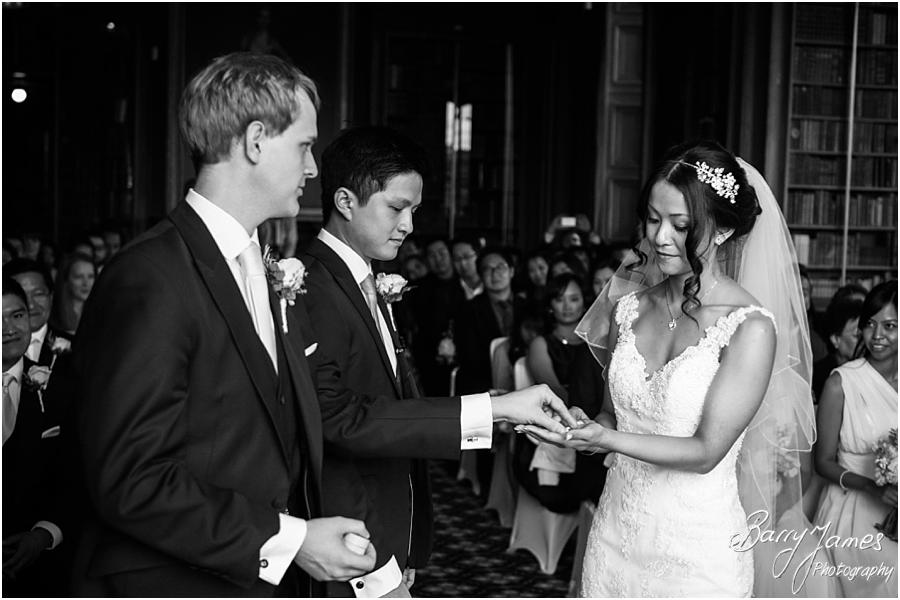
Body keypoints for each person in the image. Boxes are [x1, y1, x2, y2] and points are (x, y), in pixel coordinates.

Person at [71, 52, 375, 596]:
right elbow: (131, 479)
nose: (312, 169)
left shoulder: (260, 264)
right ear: (256, 141)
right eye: (305, 146)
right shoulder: (150, 276)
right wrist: (289, 541)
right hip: (172, 583)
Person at [521, 140, 819, 597]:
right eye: (653, 219)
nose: (660, 237)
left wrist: (608, 440)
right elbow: (611, 415)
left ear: (719, 231)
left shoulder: (749, 327)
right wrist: (583, 428)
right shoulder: (627, 309)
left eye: (680, 225)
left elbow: (706, 451)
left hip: (696, 547)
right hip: (616, 529)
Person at [300, 125, 575, 597]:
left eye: (414, 210)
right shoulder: (313, 287)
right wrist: (493, 411)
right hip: (350, 541)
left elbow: (389, 400)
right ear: (345, 202)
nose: (408, 225)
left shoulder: (365, 278)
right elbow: (342, 420)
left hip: (385, 533)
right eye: (396, 207)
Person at [813, 280, 898, 597]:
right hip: (852, 510)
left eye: (890, 326)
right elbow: (822, 462)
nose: (877, 336)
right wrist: (870, 486)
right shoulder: (841, 382)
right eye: (870, 325)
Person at [515, 273, 606, 513]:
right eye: (559, 299)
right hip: (562, 422)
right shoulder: (541, 344)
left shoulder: (600, 344)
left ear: (584, 302)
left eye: (574, 299)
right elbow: (555, 395)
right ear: (550, 305)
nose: (567, 306)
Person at [2, 278, 66, 596]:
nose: (8, 329)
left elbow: (76, 472)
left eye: (17, 315)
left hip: (40, 571)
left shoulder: (61, 388)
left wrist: (44, 533)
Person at [811, 297, 863, 401]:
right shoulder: (818, 376)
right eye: (857, 335)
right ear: (835, 339)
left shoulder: (870, 370)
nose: (863, 341)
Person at [49, 252, 95, 336]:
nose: (86, 283)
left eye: (91, 276)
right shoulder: (52, 314)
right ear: (66, 280)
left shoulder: (100, 311)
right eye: (79, 277)